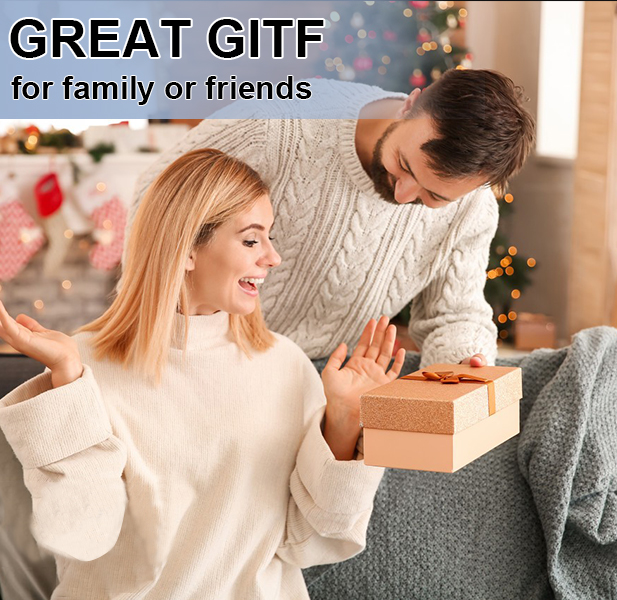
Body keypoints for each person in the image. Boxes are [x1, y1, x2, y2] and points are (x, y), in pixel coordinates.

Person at [0, 149, 405, 597]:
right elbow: (82, 533)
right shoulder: (85, 364)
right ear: (187, 249)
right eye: (252, 241)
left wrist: (345, 422)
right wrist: (68, 382)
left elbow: (309, 541)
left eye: (269, 238)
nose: (273, 257)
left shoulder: (286, 367)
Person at [133, 69, 536, 373]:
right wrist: (175, 337)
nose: (402, 196)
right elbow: (155, 201)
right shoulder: (280, 119)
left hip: (323, 377)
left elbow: (455, 314)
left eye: (433, 196)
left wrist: (467, 364)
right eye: (404, 165)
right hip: (194, 355)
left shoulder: (471, 209)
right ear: (410, 105)